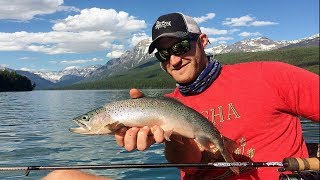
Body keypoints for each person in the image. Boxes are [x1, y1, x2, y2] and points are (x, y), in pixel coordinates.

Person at [44, 13, 319, 179]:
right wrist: (171, 139)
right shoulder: (166, 105)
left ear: (202, 42)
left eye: (181, 46)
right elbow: (190, 164)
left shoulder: (271, 76)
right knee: (60, 176)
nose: (174, 60)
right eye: (164, 53)